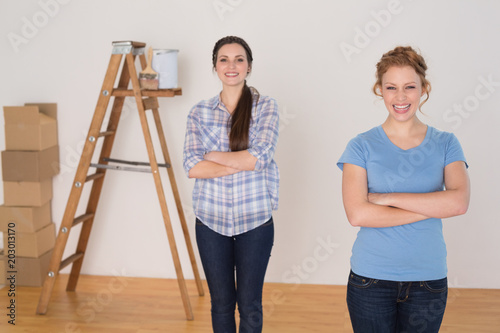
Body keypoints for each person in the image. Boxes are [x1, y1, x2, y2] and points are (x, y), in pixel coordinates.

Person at [337, 46, 470, 333]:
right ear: (380, 90)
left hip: (428, 281)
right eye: (391, 87)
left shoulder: (447, 143)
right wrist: (433, 206)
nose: (400, 97)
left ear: (424, 88)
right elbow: (358, 214)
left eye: (410, 87)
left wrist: (388, 199)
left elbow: (458, 203)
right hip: (370, 280)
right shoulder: (360, 145)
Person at [183, 36, 279, 333]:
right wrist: (239, 161)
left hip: (255, 222)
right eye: (224, 59)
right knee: (221, 303)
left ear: (249, 66)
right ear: (215, 66)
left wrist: (212, 157)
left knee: (250, 305)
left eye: (239, 59)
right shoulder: (199, 112)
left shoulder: (266, 107)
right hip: (210, 223)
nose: (231, 65)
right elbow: (191, 166)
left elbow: (260, 157)